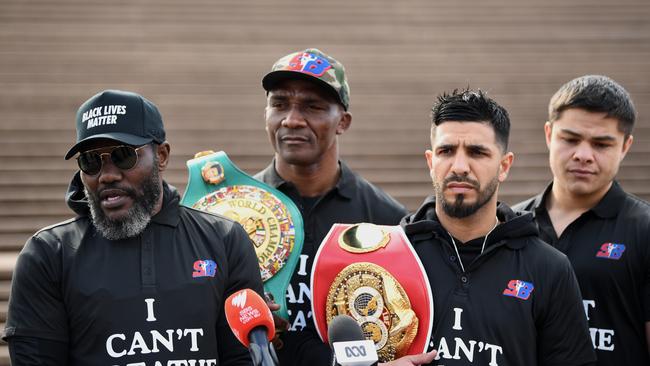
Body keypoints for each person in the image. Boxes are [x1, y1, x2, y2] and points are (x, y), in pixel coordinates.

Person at [3, 90, 264, 365]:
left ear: (161, 156)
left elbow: (244, 358)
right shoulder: (48, 254)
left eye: (123, 156)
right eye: (90, 161)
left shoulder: (225, 240)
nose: (108, 175)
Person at [399, 89, 596, 365]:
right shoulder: (392, 255)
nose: (460, 166)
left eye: (477, 152)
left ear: (504, 166)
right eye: (446, 151)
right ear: (431, 162)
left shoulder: (549, 269)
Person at [255, 48, 417, 365]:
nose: (291, 119)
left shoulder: (387, 220)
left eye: (312, 107)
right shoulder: (232, 214)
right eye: (279, 104)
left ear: (342, 121)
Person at [514, 75, 650, 365]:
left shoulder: (644, 229)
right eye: (570, 139)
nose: (583, 155)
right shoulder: (509, 226)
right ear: (549, 134)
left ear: (625, 146)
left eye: (601, 144)